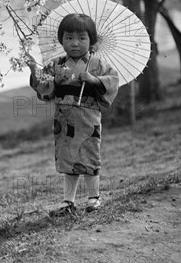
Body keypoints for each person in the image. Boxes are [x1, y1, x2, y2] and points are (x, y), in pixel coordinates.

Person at [28, 13, 119, 215]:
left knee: (89, 155)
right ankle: (68, 201)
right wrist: (38, 72)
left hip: (88, 117)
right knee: (68, 158)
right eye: (69, 38)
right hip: (64, 118)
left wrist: (95, 80)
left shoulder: (98, 65)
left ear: (91, 40)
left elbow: (112, 81)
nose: (75, 43)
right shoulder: (56, 65)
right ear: (61, 40)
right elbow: (44, 87)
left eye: (81, 38)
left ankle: (94, 197)